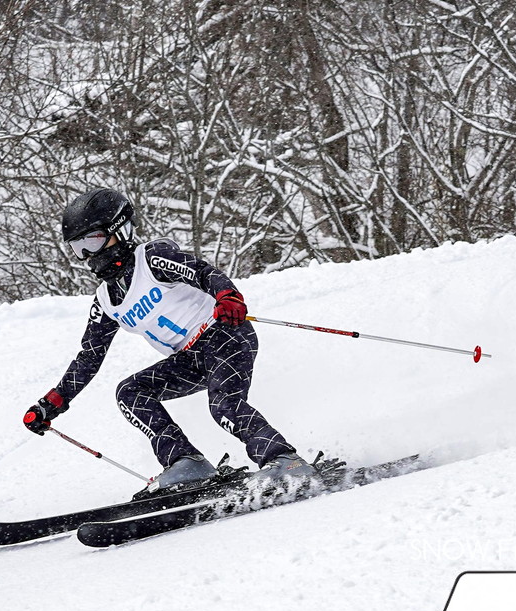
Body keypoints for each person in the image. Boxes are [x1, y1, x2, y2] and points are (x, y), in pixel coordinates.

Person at [23, 187, 315, 495]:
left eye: (92, 241)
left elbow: (202, 272)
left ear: (119, 231)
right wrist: (52, 403)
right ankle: (187, 464)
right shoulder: (106, 301)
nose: (88, 255)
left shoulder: (153, 258)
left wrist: (227, 296)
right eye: (78, 247)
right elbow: (89, 358)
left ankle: (286, 461)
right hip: (190, 359)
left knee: (223, 405)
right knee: (131, 392)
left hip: (224, 335)